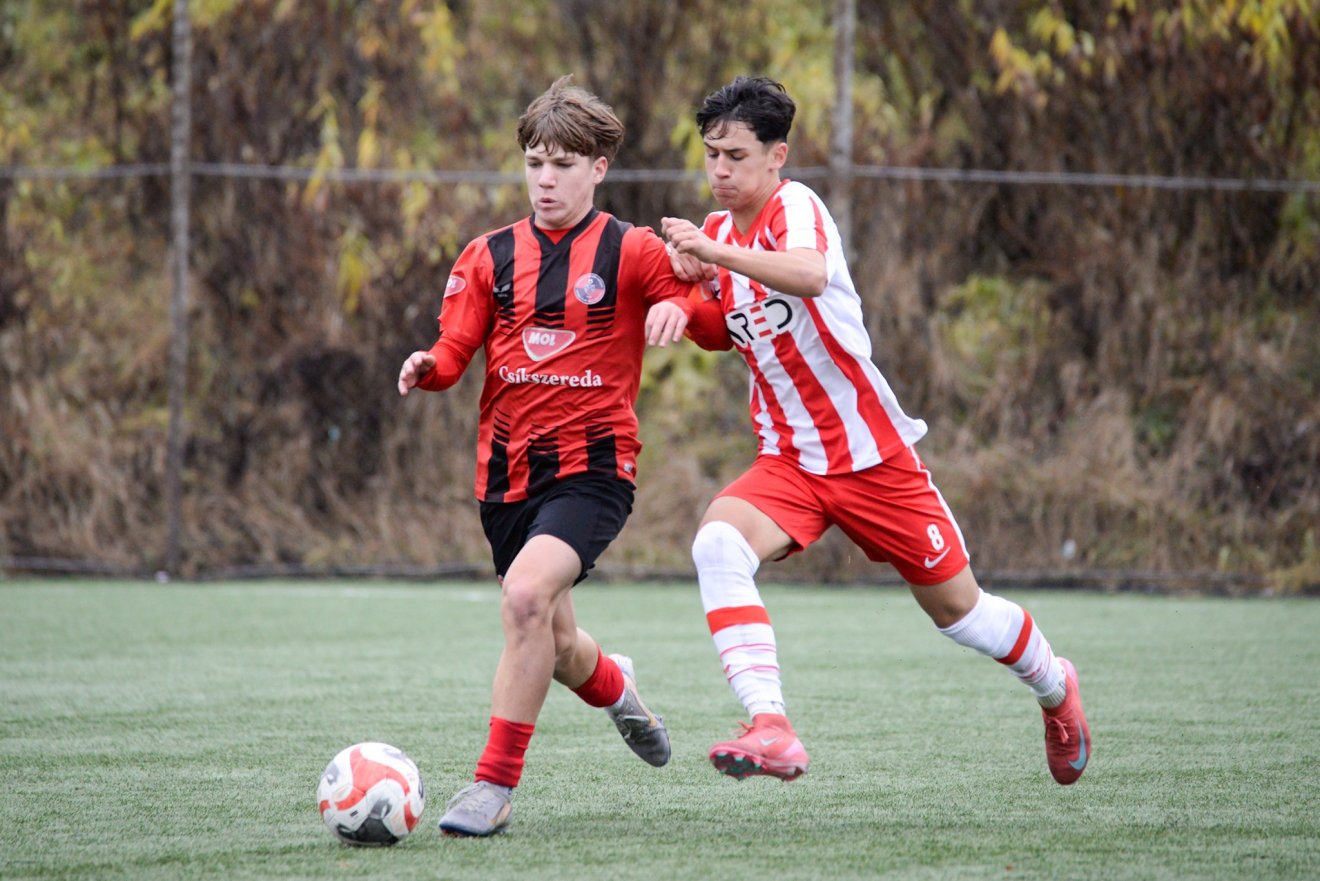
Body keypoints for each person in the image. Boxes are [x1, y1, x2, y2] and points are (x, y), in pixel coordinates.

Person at [662, 76, 1091, 786]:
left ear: (778, 157)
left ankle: (1056, 686)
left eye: (735, 154)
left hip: (873, 458)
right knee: (716, 543)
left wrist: (714, 262)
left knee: (962, 613)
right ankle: (770, 722)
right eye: (711, 154)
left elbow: (804, 274)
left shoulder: (795, 209)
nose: (720, 170)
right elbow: (728, 327)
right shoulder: (714, 237)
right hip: (791, 462)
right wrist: (681, 302)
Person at [397, 76, 695, 837]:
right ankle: (617, 684)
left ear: (598, 168)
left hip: (594, 471)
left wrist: (677, 304)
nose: (546, 179)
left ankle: (491, 787)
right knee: (557, 643)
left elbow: (704, 303)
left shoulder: (631, 251)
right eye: (535, 162)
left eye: (563, 164)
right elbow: (457, 347)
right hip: (505, 479)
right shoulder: (488, 254)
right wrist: (429, 364)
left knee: (525, 599)